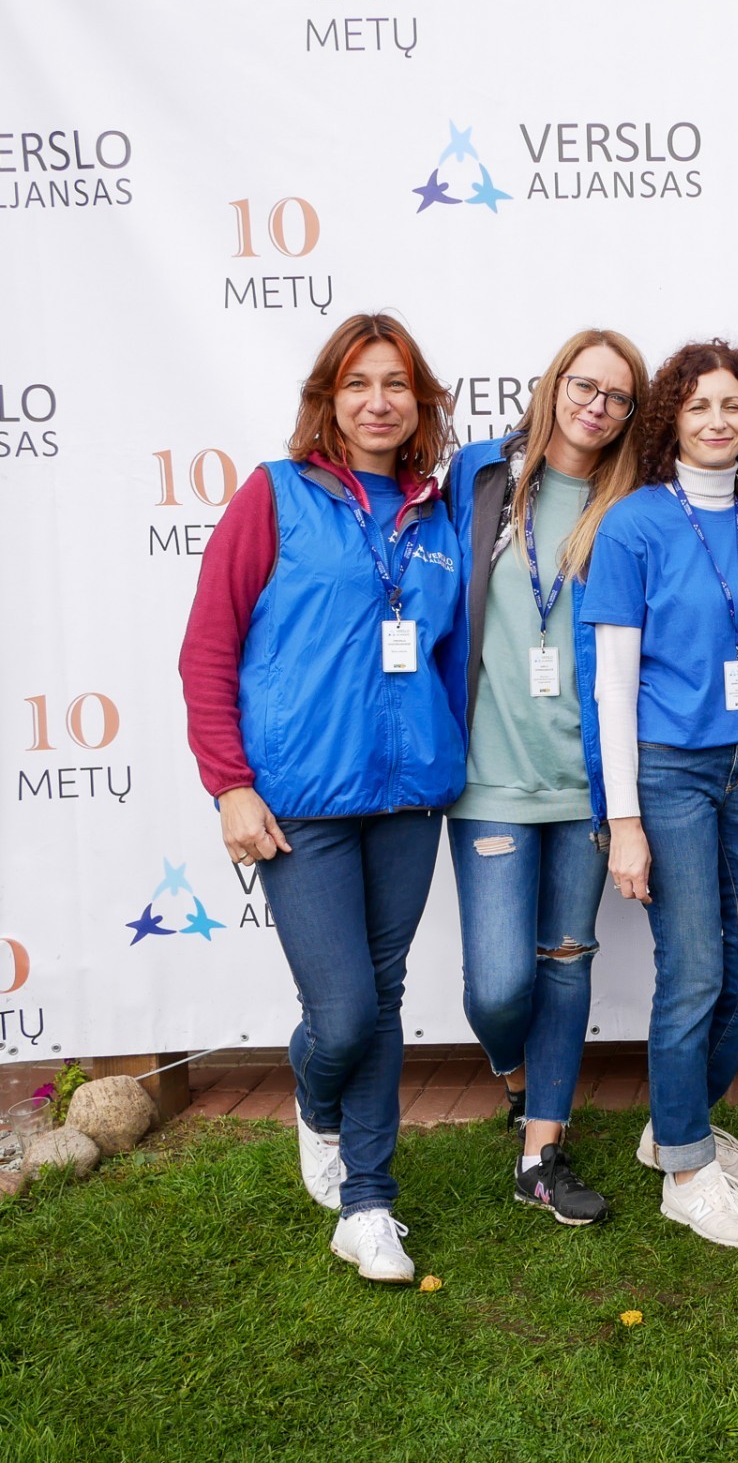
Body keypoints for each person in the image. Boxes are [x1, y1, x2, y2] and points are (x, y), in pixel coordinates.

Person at [179, 312, 463, 1284]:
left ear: (420, 401)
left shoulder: (438, 515)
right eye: (358, 384)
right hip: (300, 800)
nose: (379, 402)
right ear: (328, 400)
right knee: (342, 1014)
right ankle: (316, 1097)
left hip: (409, 797)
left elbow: (449, 658)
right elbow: (209, 646)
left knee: (381, 999)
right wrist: (230, 784)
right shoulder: (274, 494)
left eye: (397, 384)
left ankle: (368, 1203)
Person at [582, 338, 738, 1248]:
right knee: (695, 971)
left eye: (733, 406)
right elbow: (611, 685)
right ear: (671, 419)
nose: (717, 420)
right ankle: (684, 1169)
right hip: (670, 768)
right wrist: (624, 818)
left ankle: (677, 1123)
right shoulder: (634, 525)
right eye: (699, 404)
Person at [444, 329, 649, 1225]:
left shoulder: (631, 504)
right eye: (584, 385)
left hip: (586, 778)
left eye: (617, 396)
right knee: (499, 985)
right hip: (488, 775)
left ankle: (542, 1152)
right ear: (554, 382)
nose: (596, 406)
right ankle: (515, 1074)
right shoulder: (482, 476)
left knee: (566, 961)